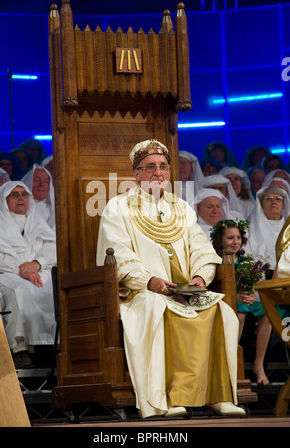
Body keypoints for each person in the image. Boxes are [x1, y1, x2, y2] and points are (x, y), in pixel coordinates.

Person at [96, 139, 245, 418]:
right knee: (158, 308)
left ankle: (218, 395)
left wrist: (202, 276)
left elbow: (201, 247)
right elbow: (119, 256)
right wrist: (150, 281)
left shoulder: (182, 208)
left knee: (220, 310)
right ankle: (165, 399)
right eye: (150, 167)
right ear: (136, 174)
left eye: (163, 167)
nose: (158, 173)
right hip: (143, 291)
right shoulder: (118, 207)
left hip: (186, 290)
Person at [0, 181, 57, 368]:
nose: (21, 198)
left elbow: (53, 249)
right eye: (14, 195)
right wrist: (24, 270)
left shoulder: (36, 221)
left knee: (52, 289)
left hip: (38, 272)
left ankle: (52, 347)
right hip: (7, 274)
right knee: (18, 291)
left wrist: (37, 264)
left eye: (24, 194)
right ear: (3, 200)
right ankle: (20, 348)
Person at [211, 220, 272, 385]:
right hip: (223, 302)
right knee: (240, 313)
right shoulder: (214, 260)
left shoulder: (246, 261)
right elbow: (211, 289)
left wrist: (251, 296)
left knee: (267, 314)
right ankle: (232, 363)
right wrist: (235, 297)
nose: (235, 241)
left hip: (243, 302)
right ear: (220, 240)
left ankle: (258, 364)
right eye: (230, 238)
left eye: (238, 237)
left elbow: (251, 287)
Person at [248, 186, 290, 276]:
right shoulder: (251, 227)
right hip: (260, 275)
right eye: (268, 199)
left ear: (283, 204)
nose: (274, 202)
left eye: (278, 199)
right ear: (261, 203)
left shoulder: (288, 227)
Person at [22, 164, 55, 231]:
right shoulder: (20, 208)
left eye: (46, 181)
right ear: (29, 182)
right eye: (37, 180)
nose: (42, 184)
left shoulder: (55, 211)